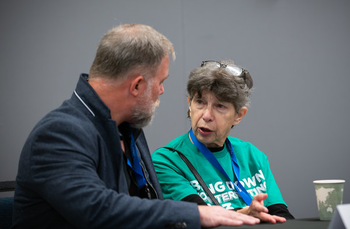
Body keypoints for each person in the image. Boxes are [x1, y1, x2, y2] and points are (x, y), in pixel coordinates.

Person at [12, 25, 260, 229]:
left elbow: (147, 206)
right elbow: (97, 210)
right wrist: (199, 214)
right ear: (137, 86)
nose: (162, 91)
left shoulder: (128, 128)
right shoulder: (58, 134)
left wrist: (230, 216)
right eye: (160, 82)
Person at [152, 60, 295, 224]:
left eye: (220, 106)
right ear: (189, 104)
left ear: (239, 115)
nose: (206, 115)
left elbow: (282, 216)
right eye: (200, 102)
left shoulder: (252, 155)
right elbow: (202, 218)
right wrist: (246, 213)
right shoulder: (166, 161)